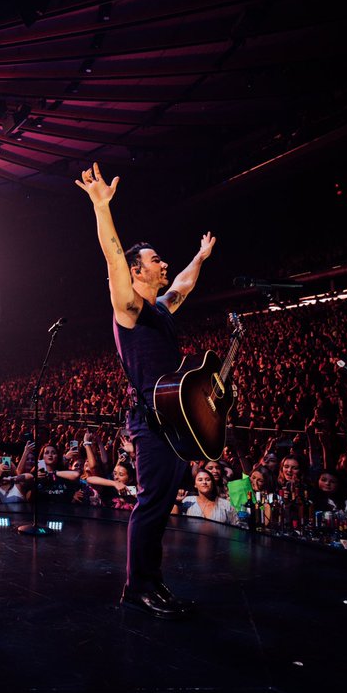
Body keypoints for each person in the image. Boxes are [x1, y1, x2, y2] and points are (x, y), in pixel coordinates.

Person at [77, 161, 216, 619]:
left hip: (173, 420)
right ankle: (137, 587)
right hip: (151, 421)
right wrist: (102, 207)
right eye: (155, 261)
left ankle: (153, 581)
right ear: (136, 271)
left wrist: (200, 257)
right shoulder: (130, 308)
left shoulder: (160, 309)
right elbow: (113, 257)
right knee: (152, 502)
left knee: (161, 502)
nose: (164, 265)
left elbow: (182, 287)